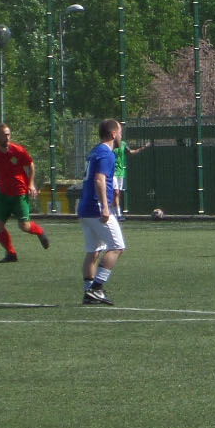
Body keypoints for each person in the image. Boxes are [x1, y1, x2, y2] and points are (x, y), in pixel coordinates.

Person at [0, 123, 51, 262]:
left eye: (9, 134)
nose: (7, 137)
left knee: (24, 226)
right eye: (4, 135)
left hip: (20, 193)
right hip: (4, 194)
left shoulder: (18, 150)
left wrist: (31, 184)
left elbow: (30, 164)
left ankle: (40, 232)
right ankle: (11, 254)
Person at [78, 118, 125, 305]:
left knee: (93, 251)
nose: (121, 136)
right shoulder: (107, 154)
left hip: (85, 208)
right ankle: (96, 289)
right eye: (120, 132)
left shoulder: (95, 151)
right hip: (96, 208)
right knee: (117, 247)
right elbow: (99, 180)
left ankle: (88, 293)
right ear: (113, 134)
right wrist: (105, 206)